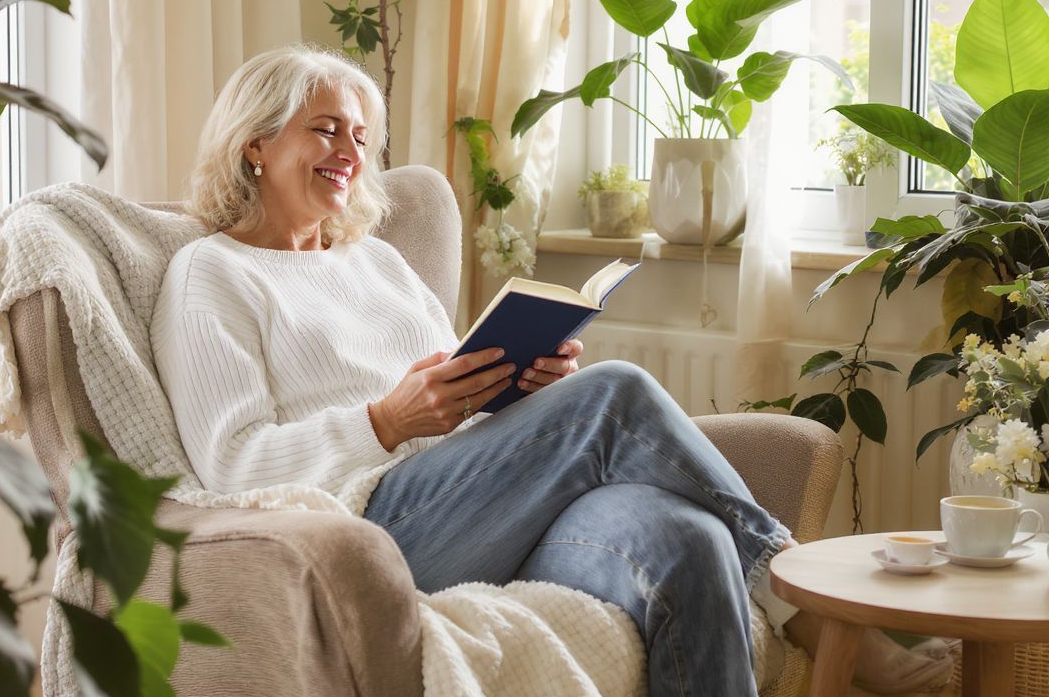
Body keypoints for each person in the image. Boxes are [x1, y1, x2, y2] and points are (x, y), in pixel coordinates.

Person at [151, 45, 953, 695]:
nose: (349, 153)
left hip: (484, 508)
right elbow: (232, 465)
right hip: (371, 529)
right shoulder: (211, 274)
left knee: (691, 538)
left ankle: (775, 584)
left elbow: (454, 396)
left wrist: (519, 387)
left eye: (361, 137)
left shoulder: (379, 264)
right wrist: (383, 422)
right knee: (617, 391)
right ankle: (812, 606)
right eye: (326, 129)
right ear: (256, 143)